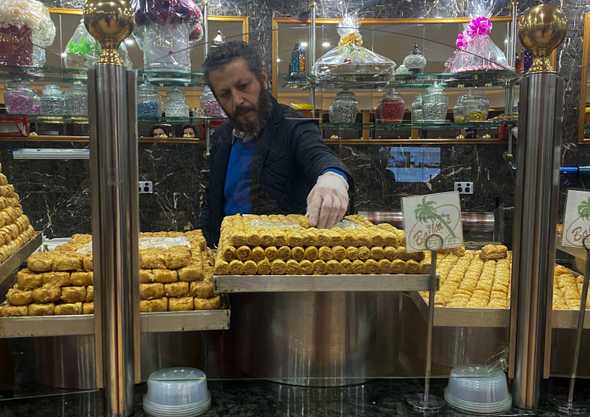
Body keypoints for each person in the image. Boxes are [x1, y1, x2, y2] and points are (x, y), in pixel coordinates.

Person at [200, 41, 352, 245]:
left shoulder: (292, 125)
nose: (237, 100)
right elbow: (213, 204)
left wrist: (333, 178)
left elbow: (318, 154)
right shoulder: (221, 137)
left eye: (243, 86)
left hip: (281, 260)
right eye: (225, 94)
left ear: (262, 79)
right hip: (227, 258)